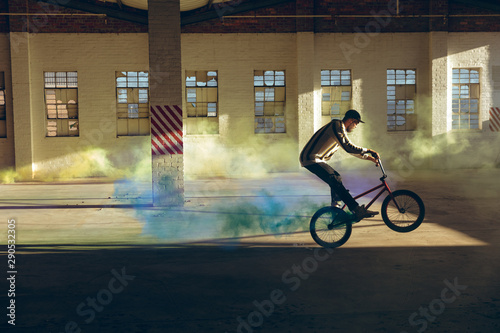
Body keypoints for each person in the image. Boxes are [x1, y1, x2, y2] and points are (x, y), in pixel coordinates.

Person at [300, 109, 380, 221]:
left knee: (336, 179)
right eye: (356, 123)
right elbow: (348, 147)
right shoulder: (336, 125)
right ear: (351, 120)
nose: (356, 126)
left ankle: (336, 210)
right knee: (335, 179)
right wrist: (369, 150)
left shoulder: (340, 129)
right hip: (311, 158)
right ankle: (356, 210)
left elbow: (351, 150)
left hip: (316, 159)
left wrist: (370, 158)